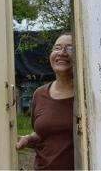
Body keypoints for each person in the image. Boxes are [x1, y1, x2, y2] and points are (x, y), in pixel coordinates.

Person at [16, 32, 74, 170]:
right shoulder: (40, 94)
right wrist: (28, 139)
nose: (62, 53)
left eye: (70, 48)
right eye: (57, 48)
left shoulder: (86, 96)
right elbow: (42, 134)